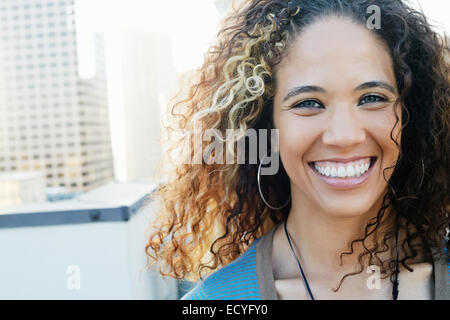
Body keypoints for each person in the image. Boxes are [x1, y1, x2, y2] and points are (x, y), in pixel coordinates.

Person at [145, 0, 449, 300]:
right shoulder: (214, 301)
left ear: (411, 114)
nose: (344, 136)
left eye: (372, 97)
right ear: (265, 124)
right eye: (308, 103)